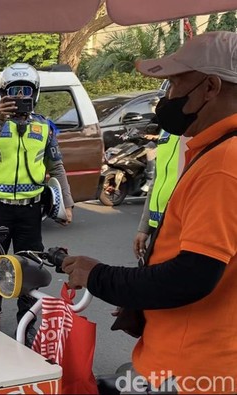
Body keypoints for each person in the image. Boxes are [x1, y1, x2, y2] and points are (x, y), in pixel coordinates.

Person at [63, 31, 237, 393]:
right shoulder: (217, 150)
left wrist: (99, 276)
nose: (167, 97)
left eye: (175, 83)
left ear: (210, 88)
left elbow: (192, 276)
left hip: (191, 369)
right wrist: (140, 298)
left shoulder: (224, 163)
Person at [0, 63, 74, 346]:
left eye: (25, 92)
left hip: (31, 211)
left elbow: (57, 167)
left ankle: (28, 329)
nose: (19, 97)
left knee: (29, 271)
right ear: (4, 93)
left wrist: (67, 204)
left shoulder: (44, 126)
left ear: (35, 93)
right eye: (13, 92)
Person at [133, 129, 181, 259]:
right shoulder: (167, 130)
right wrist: (144, 228)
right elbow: (156, 180)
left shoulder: (196, 128)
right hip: (157, 224)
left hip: (181, 227)